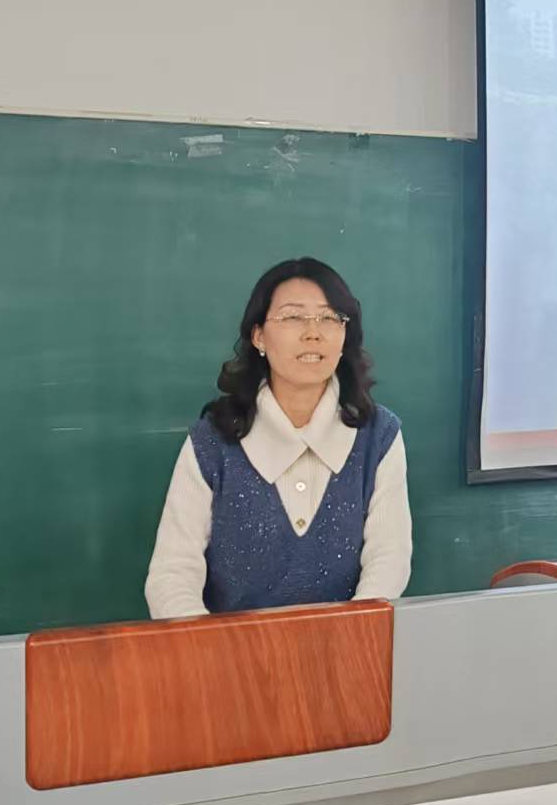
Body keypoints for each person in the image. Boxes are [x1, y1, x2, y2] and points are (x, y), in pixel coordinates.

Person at [144, 258, 411, 617]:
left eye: (330, 318)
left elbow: (388, 561)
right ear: (258, 336)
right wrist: (211, 647)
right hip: (229, 649)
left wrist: (348, 640)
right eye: (293, 317)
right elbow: (172, 576)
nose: (313, 332)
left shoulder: (378, 436)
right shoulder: (213, 441)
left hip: (347, 647)